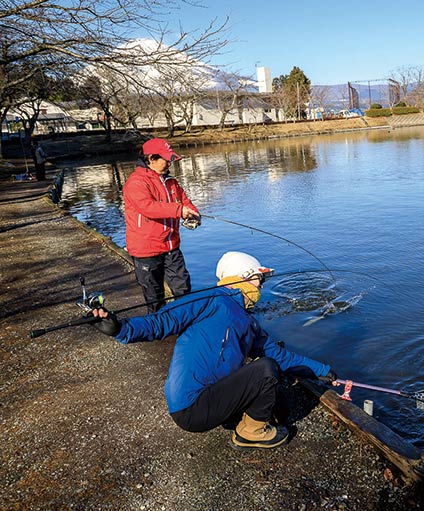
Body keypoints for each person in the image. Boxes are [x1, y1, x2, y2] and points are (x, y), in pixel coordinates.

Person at [91, 251, 337, 450]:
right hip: (192, 406)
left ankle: (237, 417)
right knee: (265, 369)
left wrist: (323, 371)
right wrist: (120, 328)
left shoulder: (248, 321)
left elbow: (281, 355)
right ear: (243, 276)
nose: (261, 287)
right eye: (259, 280)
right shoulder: (210, 299)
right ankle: (248, 434)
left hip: (213, 396)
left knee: (280, 405)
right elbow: (160, 322)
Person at [124, 138, 200, 312]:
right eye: (166, 159)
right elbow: (148, 208)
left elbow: (185, 202)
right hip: (146, 249)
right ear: (151, 159)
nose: (170, 163)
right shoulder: (136, 182)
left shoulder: (171, 182)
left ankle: (186, 324)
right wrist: (178, 210)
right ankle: (158, 329)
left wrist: (194, 215)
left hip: (171, 246)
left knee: (183, 290)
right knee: (154, 296)